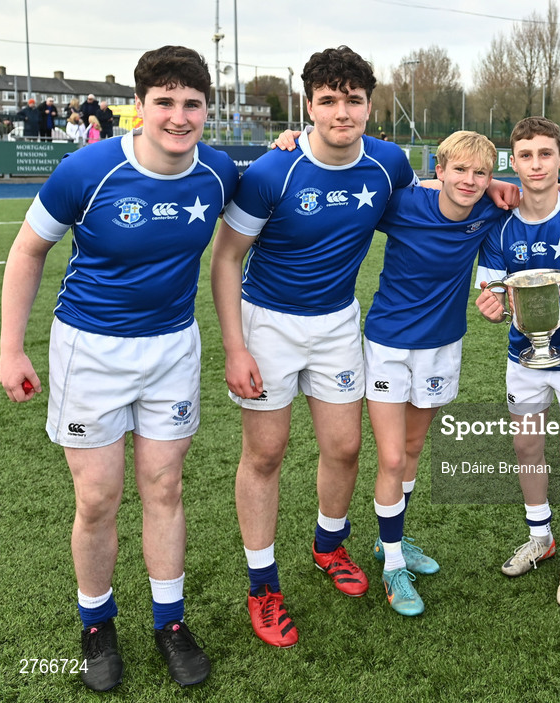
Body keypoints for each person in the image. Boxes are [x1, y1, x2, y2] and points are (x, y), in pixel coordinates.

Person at [0, 45, 239, 690]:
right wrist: (10, 348)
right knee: (98, 497)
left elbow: (284, 184)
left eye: (192, 103)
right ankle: (97, 624)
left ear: (207, 109)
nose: (179, 116)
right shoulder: (88, 169)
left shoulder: (218, 173)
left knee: (164, 489)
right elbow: (26, 254)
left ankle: (170, 622)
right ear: (140, 107)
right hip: (91, 352)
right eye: (165, 102)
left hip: (172, 350)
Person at [210, 45, 429, 647]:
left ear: (368, 105)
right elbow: (227, 258)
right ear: (308, 105)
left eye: (352, 100)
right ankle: (263, 586)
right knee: (266, 453)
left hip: (337, 324)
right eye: (328, 100)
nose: (341, 112)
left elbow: (447, 194)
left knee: (345, 445)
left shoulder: (389, 163)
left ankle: (328, 546)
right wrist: (235, 348)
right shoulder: (272, 172)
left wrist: (553, 192)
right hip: (268, 324)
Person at [363, 131, 514, 616]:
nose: (469, 180)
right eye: (460, 170)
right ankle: (391, 567)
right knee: (390, 458)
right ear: (439, 170)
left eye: (481, 173)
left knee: (411, 450)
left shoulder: (490, 211)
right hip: (387, 343)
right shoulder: (401, 203)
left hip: (443, 346)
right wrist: (291, 138)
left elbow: (541, 191)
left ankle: (395, 539)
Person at [474, 116, 560, 608]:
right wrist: (490, 309)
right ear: (513, 162)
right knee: (527, 446)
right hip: (523, 357)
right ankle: (542, 536)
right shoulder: (500, 225)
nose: (536, 164)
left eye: (545, 154)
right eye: (526, 156)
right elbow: (491, 296)